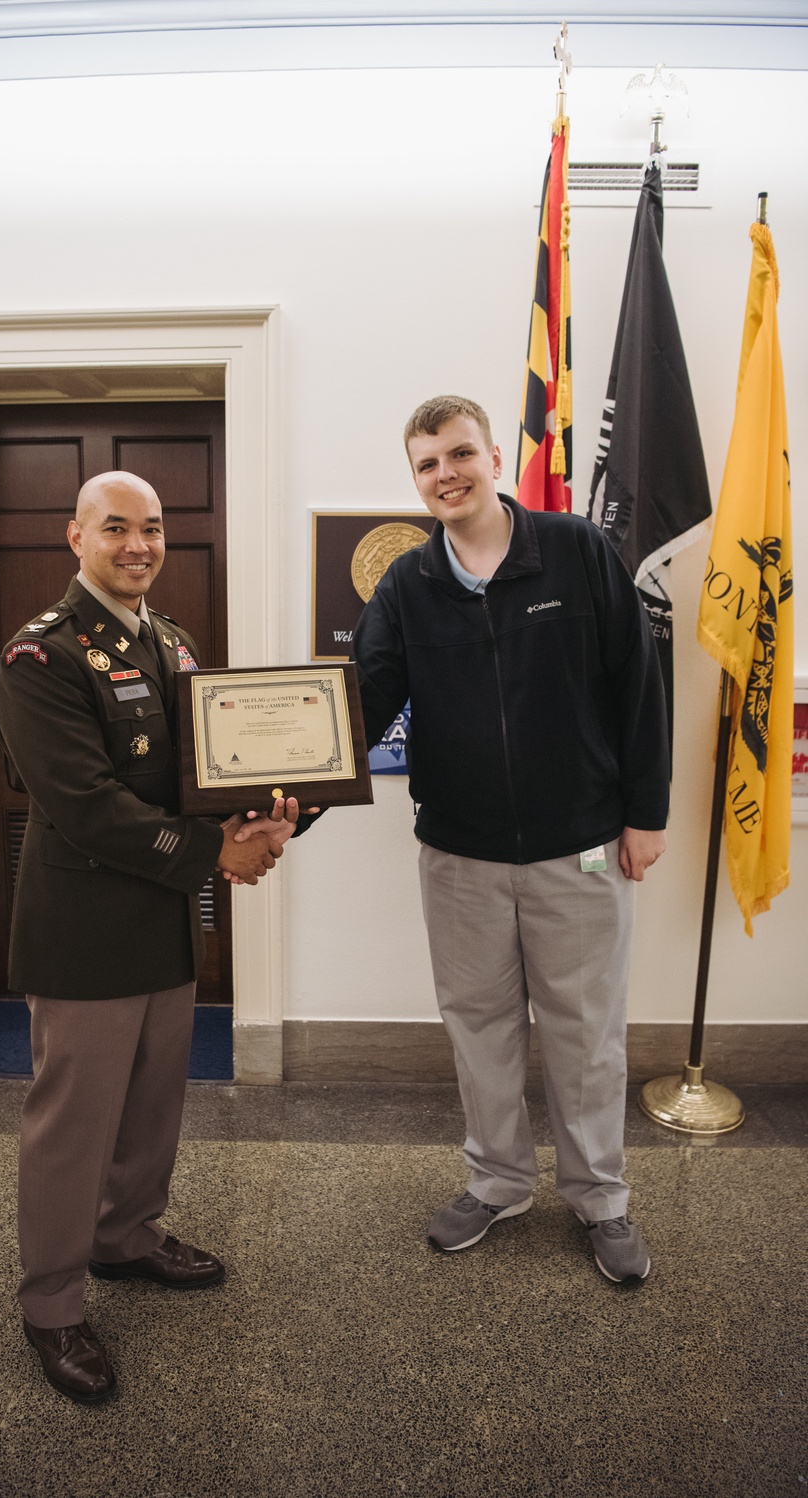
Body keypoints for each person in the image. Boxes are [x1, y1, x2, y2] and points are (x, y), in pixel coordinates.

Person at [0, 470, 302, 1404]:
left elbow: (204, 768)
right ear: (75, 537)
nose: (139, 546)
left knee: (153, 1104)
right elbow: (89, 810)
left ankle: (126, 1238)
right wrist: (220, 853)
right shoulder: (40, 661)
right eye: (116, 528)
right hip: (86, 932)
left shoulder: (169, 640)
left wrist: (275, 808)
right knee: (72, 1127)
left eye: (153, 529)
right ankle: (50, 1303)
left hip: (165, 921)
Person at [351, 396, 670, 1285]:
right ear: (415, 480)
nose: (446, 475)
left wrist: (648, 814)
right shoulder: (408, 585)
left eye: (459, 455)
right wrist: (287, 791)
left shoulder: (576, 551)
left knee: (587, 1034)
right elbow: (360, 706)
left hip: (583, 846)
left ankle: (600, 1197)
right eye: (427, 465)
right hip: (460, 855)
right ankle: (496, 1182)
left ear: (495, 456)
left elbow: (640, 687)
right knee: (480, 1027)